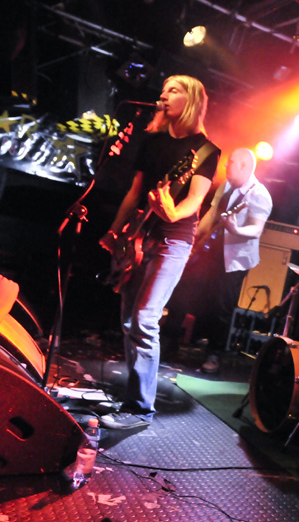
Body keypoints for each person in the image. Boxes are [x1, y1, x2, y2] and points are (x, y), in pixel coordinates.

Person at [98, 75, 220, 430]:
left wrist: (171, 210)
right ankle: (133, 399)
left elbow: (194, 203)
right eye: (163, 89)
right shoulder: (151, 142)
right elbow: (135, 194)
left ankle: (139, 409)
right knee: (127, 320)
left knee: (145, 319)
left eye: (173, 91)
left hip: (174, 239)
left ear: (192, 100)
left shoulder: (207, 151)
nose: (162, 95)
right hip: (139, 237)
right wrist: (114, 231)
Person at [194, 147, 272, 374]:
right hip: (212, 251)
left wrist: (236, 228)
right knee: (201, 295)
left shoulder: (259, 195)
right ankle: (194, 339)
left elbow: (256, 230)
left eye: (231, 162)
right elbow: (212, 213)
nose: (226, 165)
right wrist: (195, 237)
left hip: (236, 259)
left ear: (245, 166)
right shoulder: (226, 186)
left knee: (222, 305)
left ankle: (215, 354)